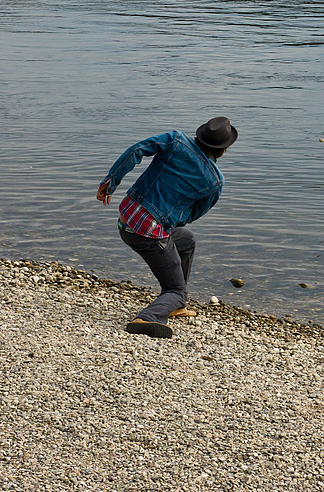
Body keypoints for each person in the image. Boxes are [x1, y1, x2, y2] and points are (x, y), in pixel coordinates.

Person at [96, 116, 237, 338]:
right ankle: (150, 316)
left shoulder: (175, 140)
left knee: (187, 240)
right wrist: (169, 221)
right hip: (148, 234)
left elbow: (136, 150)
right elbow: (194, 213)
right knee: (177, 292)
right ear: (224, 149)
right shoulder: (215, 181)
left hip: (126, 219)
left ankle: (175, 305)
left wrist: (110, 183)